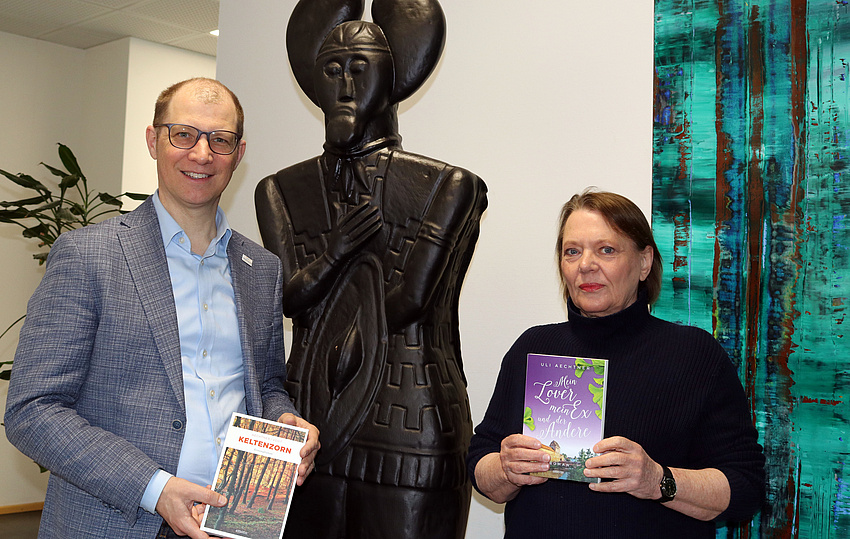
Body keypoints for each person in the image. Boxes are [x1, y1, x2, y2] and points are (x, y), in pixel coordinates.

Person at [4, 77, 319, 539]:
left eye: (220, 140)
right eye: (183, 134)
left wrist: (283, 419)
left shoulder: (261, 269)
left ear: (238, 152)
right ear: (154, 141)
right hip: (114, 523)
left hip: (232, 521)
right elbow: (33, 410)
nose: (201, 154)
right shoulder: (87, 255)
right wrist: (155, 488)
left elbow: (266, 382)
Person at [254, 2, 487, 537]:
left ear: (393, 73)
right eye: (332, 70)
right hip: (299, 422)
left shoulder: (446, 186)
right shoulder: (280, 190)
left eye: (359, 69)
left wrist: (331, 283)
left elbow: (410, 299)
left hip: (411, 419)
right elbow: (288, 297)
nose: (343, 86)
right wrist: (335, 250)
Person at [467, 189, 765, 538]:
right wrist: (505, 468)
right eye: (572, 251)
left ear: (644, 262)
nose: (586, 264)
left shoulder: (695, 354)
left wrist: (658, 480)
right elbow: (480, 461)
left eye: (606, 250)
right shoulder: (533, 348)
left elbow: (745, 487)